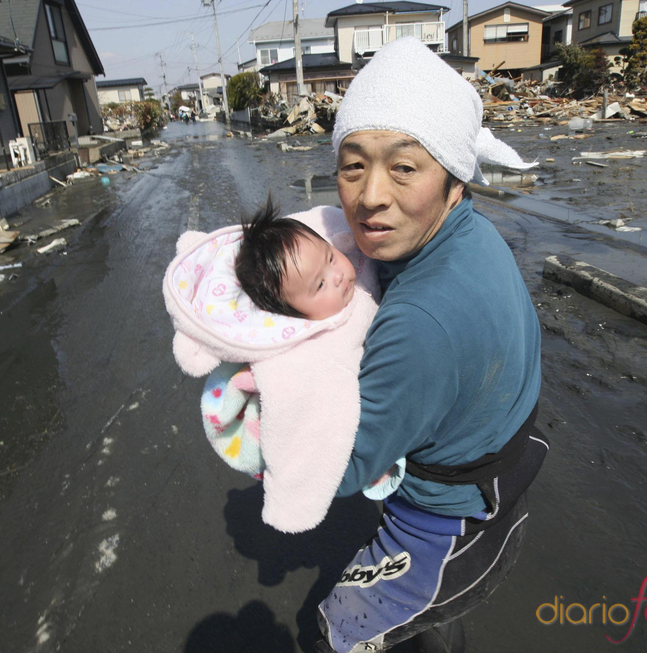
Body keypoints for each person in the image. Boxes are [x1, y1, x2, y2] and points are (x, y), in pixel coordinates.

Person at [314, 37, 548, 653]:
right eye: (353, 164)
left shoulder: (419, 320)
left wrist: (259, 412)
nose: (369, 197)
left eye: (405, 167)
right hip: (503, 464)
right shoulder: (470, 232)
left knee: (344, 630)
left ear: (453, 177)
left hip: (443, 520)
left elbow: (337, 471)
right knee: (436, 622)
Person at [162, 202, 402, 534]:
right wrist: (294, 502)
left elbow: (322, 225)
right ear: (291, 313)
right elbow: (306, 429)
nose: (338, 276)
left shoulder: (340, 257)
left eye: (331, 258)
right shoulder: (314, 353)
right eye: (319, 286)